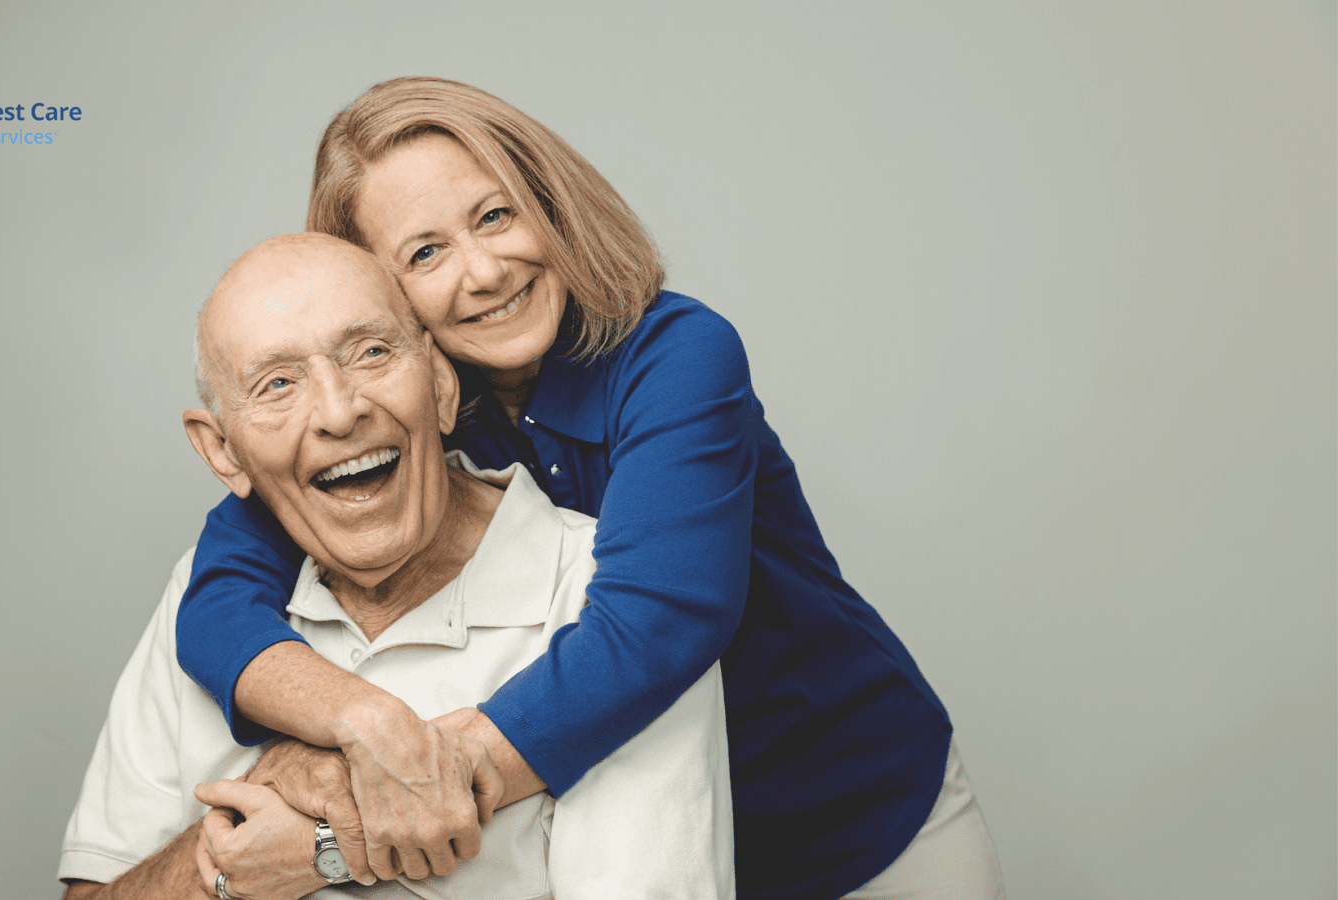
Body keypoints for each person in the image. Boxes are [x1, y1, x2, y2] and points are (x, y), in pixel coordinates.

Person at [179, 78, 1004, 899]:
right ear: (381, 294)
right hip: (656, 850)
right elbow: (217, 600)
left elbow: (656, 624)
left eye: (495, 216)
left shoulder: (679, 354)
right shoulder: (399, 409)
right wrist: (364, 725)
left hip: (861, 818)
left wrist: (362, 824)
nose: (484, 272)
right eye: (425, 254)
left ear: (552, 204)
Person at [58, 233, 733, 899]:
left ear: (442, 385)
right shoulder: (206, 595)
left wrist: (329, 847)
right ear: (223, 452)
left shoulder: (602, 606)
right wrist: (244, 819)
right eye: (278, 383)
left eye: (372, 352)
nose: (338, 411)